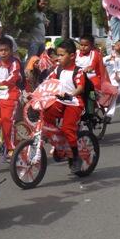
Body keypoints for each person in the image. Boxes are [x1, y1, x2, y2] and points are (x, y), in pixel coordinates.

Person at [43, 40, 86, 173]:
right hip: (60, 101)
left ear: (72, 56)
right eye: (58, 55)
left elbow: (80, 87)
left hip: (74, 102)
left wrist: (70, 95)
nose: (58, 58)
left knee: (68, 127)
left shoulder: (78, 71)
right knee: (45, 114)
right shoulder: (58, 69)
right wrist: (33, 93)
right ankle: (59, 142)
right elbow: (47, 81)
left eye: (62, 55)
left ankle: (75, 157)